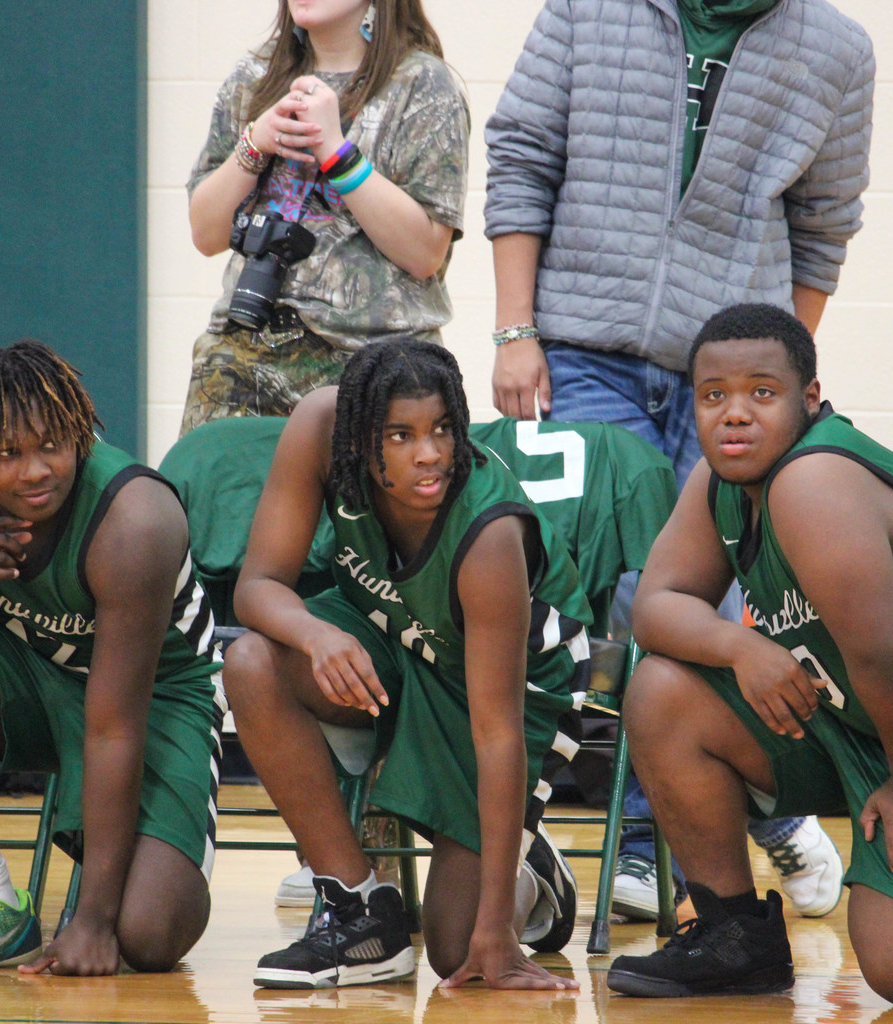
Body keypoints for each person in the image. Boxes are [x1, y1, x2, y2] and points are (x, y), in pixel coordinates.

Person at [483, 0, 873, 920]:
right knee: (617, 591)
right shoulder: (586, 8)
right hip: (582, 352)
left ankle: (684, 827)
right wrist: (514, 329)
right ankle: (731, 829)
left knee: (728, 602)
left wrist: (772, 382)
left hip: (728, 375)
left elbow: (824, 226)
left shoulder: (839, 48)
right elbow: (522, 157)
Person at [222, 339, 593, 989]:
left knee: (459, 950)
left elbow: (497, 732)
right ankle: (360, 907)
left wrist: (496, 935)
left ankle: (526, 878)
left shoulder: (487, 534)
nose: (429, 454)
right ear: (361, 441)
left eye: (443, 429)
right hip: (392, 631)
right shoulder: (320, 429)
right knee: (252, 661)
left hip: (513, 681)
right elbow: (257, 587)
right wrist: (314, 634)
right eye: (400, 435)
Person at [0, 340, 222, 975]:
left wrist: (94, 920)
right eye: (8, 454)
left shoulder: (135, 519)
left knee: (146, 936)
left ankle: (101, 881)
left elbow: (115, 725)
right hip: (33, 667)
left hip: (159, 696)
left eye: (52, 445)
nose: (36, 471)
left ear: (80, 432)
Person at [607, 304, 893, 999]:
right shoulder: (722, 483)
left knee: (886, 969)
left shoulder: (813, 481)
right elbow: (657, 608)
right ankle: (735, 937)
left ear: (811, 399)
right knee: (661, 688)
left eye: (761, 393)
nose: (735, 414)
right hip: (846, 729)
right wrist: (741, 647)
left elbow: (885, 653)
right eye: (714, 397)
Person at [180, 0, 469, 429]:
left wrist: (336, 152)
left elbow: (424, 253)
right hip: (243, 354)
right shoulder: (254, 75)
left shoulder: (423, 83)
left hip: (373, 359)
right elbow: (206, 234)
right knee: (212, 488)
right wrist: (255, 143)